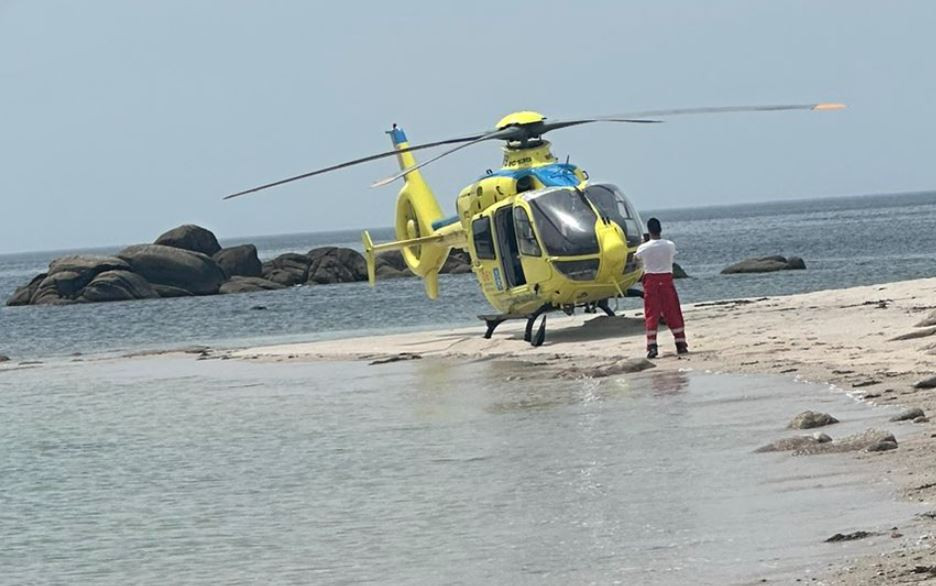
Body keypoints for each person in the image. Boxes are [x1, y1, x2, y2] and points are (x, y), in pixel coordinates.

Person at [634, 218, 687, 359]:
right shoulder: (669, 245)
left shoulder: (644, 248)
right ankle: (681, 343)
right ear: (660, 229)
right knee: (673, 311)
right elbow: (671, 256)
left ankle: (652, 347)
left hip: (651, 280)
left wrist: (643, 244)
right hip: (667, 279)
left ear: (649, 231)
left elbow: (636, 259)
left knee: (652, 314)